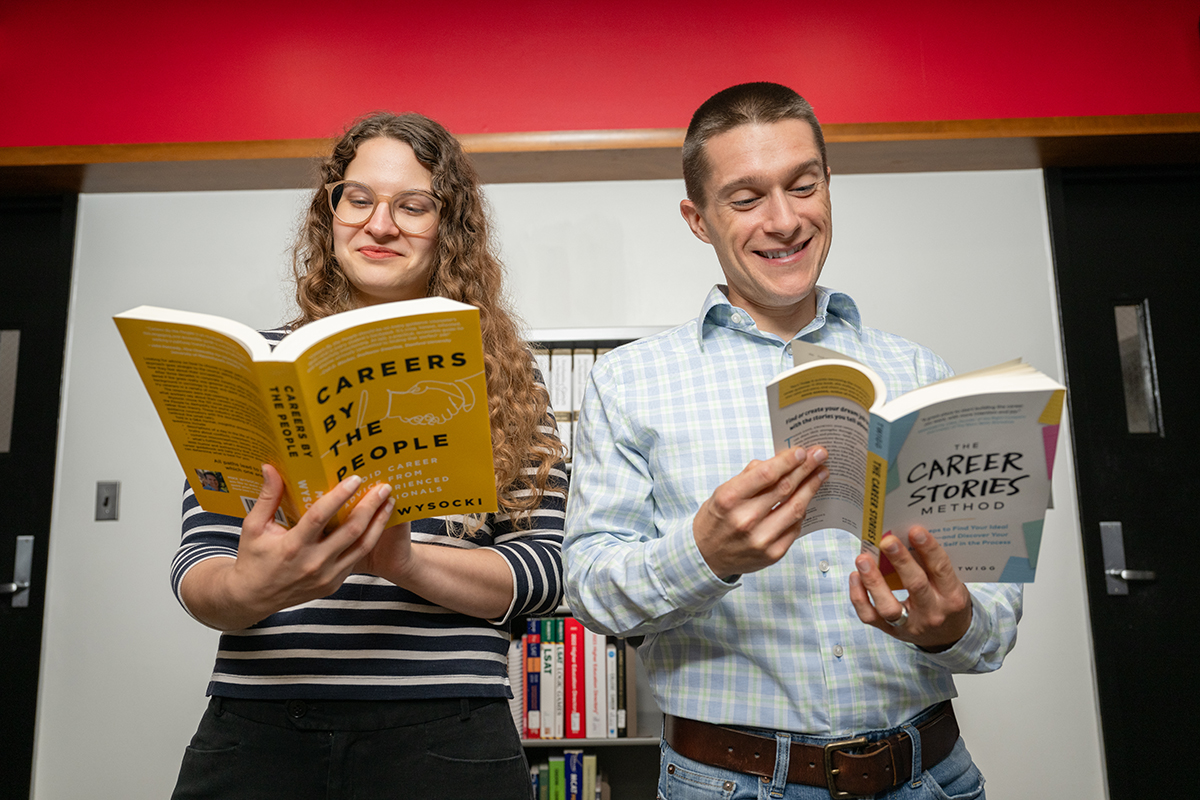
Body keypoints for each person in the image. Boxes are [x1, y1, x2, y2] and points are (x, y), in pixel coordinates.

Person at [563, 82, 1021, 800]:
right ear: (698, 218)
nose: (784, 221)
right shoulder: (627, 383)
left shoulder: (918, 370)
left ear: (829, 187)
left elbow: (994, 622)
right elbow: (589, 591)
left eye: (803, 186)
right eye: (745, 200)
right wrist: (704, 554)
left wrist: (954, 623)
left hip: (932, 774)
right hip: (729, 783)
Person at [169, 112, 566, 800]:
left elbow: (545, 571)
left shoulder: (504, 372)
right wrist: (250, 589)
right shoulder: (258, 365)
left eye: (412, 205)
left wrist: (400, 561)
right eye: (359, 198)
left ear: (449, 226)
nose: (379, 225)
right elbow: (198, 565)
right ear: (331, 211)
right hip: (259, 726)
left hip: (448, 737)